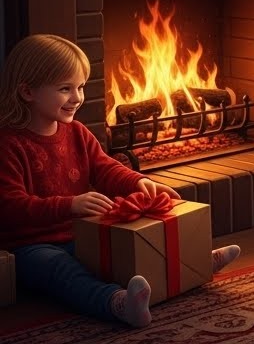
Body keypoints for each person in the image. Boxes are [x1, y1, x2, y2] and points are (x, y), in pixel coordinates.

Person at [0, 34, 240, 328]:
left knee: (129, 242)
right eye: (65, 89)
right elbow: (10, 207)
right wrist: (70, 205)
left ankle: (194, 264)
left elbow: (105, 168)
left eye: (80, 87)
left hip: (83, 231)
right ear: (28, 92)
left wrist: (138, 183)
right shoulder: (9, 144)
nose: (77, 98)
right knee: (61, 270)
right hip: (31, 245)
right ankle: (116, 303)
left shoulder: (76, 132)